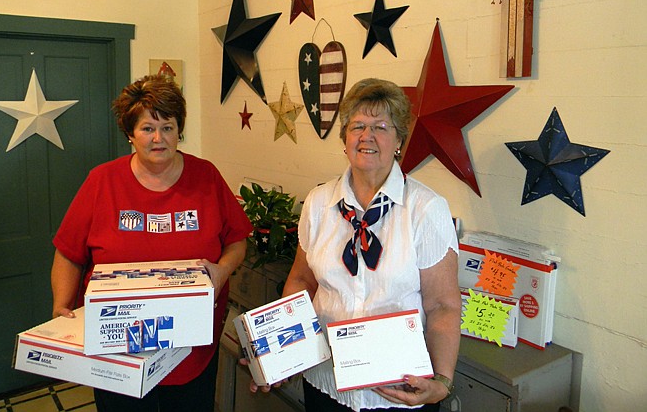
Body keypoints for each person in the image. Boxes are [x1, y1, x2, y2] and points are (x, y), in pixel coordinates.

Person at [50, 74, 252, 412]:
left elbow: (237, 241)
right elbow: (68, 253)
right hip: (118, 353)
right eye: (147, 128)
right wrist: (61, 306)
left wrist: (221, 272)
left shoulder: (207, 177)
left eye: (168, 127)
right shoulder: (102, 181)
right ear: (130, 134)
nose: (158, 138)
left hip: (192, 350)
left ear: (179, 130)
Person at [262, 78, 461, 411]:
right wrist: (287, 352)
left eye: (381, 127)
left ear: (399, 140)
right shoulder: (319, 202)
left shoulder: (426, 208)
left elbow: (443, 304)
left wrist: (441, 381)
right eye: (357, 126)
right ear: (345, 139)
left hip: (399, 392)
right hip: (327, 382)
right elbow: (301, 280)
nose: (367, 136)